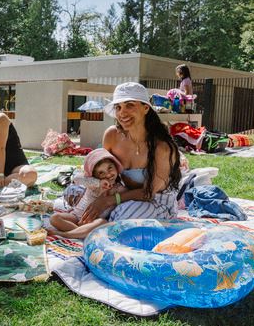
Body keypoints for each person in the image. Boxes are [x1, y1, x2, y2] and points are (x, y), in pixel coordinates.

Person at [76, 82, 181, 237]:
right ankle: (89, 226)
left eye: (129, 105)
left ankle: (77, 233)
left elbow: (149, 193)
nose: (122, 113)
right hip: (123, 195)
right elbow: (102, 171)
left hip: (156, 202)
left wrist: (108, 201)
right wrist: (97, 194)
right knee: (79, 199)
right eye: (118, 107)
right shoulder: (112, 136)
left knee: (121, 219)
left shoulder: (162, 147)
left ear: (146, 108)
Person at [49, 148, 127, 239]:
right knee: (54, 218)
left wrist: (114, 193)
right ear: (95, 176)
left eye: (110, 168)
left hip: (93, 221)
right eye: (101, 173)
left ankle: (67, 234)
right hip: (75, 217)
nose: (108, 174)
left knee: (103, 222)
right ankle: (80, 232)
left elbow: (127, 196)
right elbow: (76, 179)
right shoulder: (93, 183)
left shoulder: (119, 188)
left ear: (115, 167)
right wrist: (98, 183)